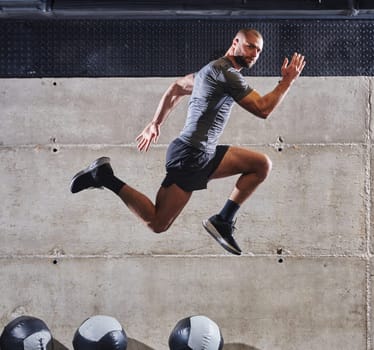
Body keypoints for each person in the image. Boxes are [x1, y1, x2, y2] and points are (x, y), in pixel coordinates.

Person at [70, 28, 306, 255]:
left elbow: (176, 88)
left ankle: (223, 220)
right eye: (250, 46)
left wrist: (156, 123)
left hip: (203, 151)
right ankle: (104, 176)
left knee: (260, 165)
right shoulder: (226, 73)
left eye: (259, 51)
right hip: (191, 155)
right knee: (158, 222)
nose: (254, 54)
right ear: (235, 43)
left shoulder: (209, 71)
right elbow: (263, 109)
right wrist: (287, 82)